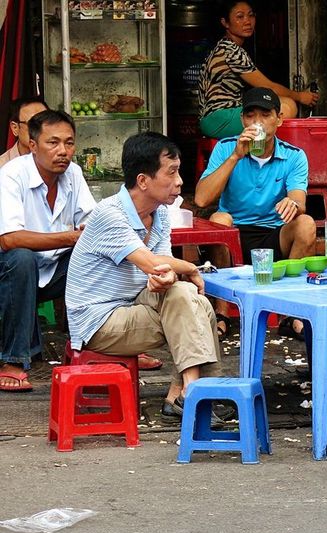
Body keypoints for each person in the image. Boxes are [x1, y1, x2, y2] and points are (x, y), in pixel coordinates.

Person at [66, 132, 221, 424]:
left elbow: (160, 269)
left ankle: (187, 393)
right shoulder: (109, 215)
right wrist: (187, 268)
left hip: (136, 304)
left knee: (186, 298)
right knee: (194, 306)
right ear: (143, 181)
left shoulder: (159, 214)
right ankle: (191, 393)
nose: (180, 182)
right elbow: (151, 261)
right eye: (171, 173)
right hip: (100, 320)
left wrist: (167, 276)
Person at [195, 86, 316, 338]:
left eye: (265, 115)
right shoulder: (226, 148)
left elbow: (298, 198)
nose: (257, 122)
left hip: (273, 235)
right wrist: (235, 157)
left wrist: (293, 204)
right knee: (219, 219)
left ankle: (290, 312)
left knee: (305, 224)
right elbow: (202, 198)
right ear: (242, 120)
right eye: (250, 116)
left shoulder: (294, 156)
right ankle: (222, 314)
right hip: (234, 235)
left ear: (279, 119)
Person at [0, 110, 96, 392]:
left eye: (69, 143)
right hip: (10, 268)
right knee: (22, 257)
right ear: (32, 145)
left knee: (104, 258)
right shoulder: (10, 175)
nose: (63, 151)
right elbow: (10, 240)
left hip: (53, 269)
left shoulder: (74, 173)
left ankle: (112, 344)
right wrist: (70, 237)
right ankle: (12, 360)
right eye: (53, 143)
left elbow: (90, 221)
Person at [198, 0, 319, 138]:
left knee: (275, 108)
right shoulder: (230, 51)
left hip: (218, 117)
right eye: (240, 16)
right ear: (225, 22)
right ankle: (263, 153)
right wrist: (300, 96)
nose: (247, 21)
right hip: (219, 118)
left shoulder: (226, 47)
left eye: (251, 15)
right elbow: (268, 87)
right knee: (287, 106)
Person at [0, 96, 49, 168]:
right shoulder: (3, 167)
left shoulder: (59, 163)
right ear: (15, 128)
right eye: (33, 124)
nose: (41, 129)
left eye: (46, 123)